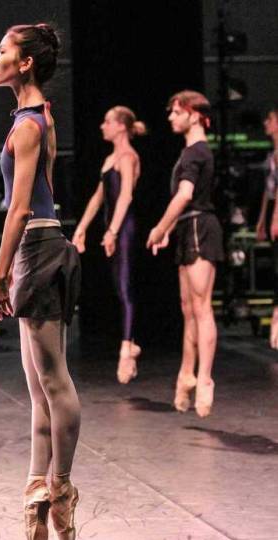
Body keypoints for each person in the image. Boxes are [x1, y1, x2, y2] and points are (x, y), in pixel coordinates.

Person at [0, 23, 81, 540]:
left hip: (38, 248)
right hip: (37, 248)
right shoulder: (35, 116)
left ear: (24, 64)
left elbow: (21, 209)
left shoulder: (28, 124)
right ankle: (37, 488)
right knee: (38, 387)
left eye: (3, 51)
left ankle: (61, 486)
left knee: (54, 381)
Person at [146, 90, 223, 418]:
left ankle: (204, 378)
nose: (171, 117)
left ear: (193, 114)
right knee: (188, 308)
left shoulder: (196, 153)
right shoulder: (192, 152)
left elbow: (185, 195)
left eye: (176, 112)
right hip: (188, 228)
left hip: (199, 227)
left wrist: (160, 227)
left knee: (201, 308)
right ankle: (186, 373)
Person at [72, 106, 146, 383]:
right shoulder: (110, 158)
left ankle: (127, 346)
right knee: (118, 287)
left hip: (124, 228)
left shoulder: (128, 157)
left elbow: (125, 196)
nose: (103, 126)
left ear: (120, 127)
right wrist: (81, 228)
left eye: (107, 122)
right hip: (113, 228)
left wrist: (113, 231)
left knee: (125, 286)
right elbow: (97, 198)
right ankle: (130, 343)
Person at [256, 105, 278, 348]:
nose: (265, 123)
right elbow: (268, 191)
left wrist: (275, 218)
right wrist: (262, 219)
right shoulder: (272, 155)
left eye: (270, 119)